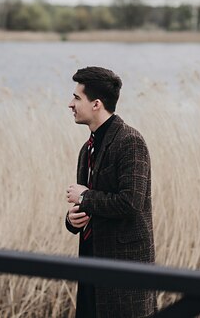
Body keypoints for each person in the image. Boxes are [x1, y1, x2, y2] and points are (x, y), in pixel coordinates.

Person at [65, 66, 156, 318]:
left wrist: (84, 197)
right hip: (90, 262)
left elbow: (130, 203)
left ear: (96, 104)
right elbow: (89, 208)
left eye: (76, 98)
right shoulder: (87, 148)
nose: (70, 104)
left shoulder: (130, 142)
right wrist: (72, 220)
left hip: (123, 271)